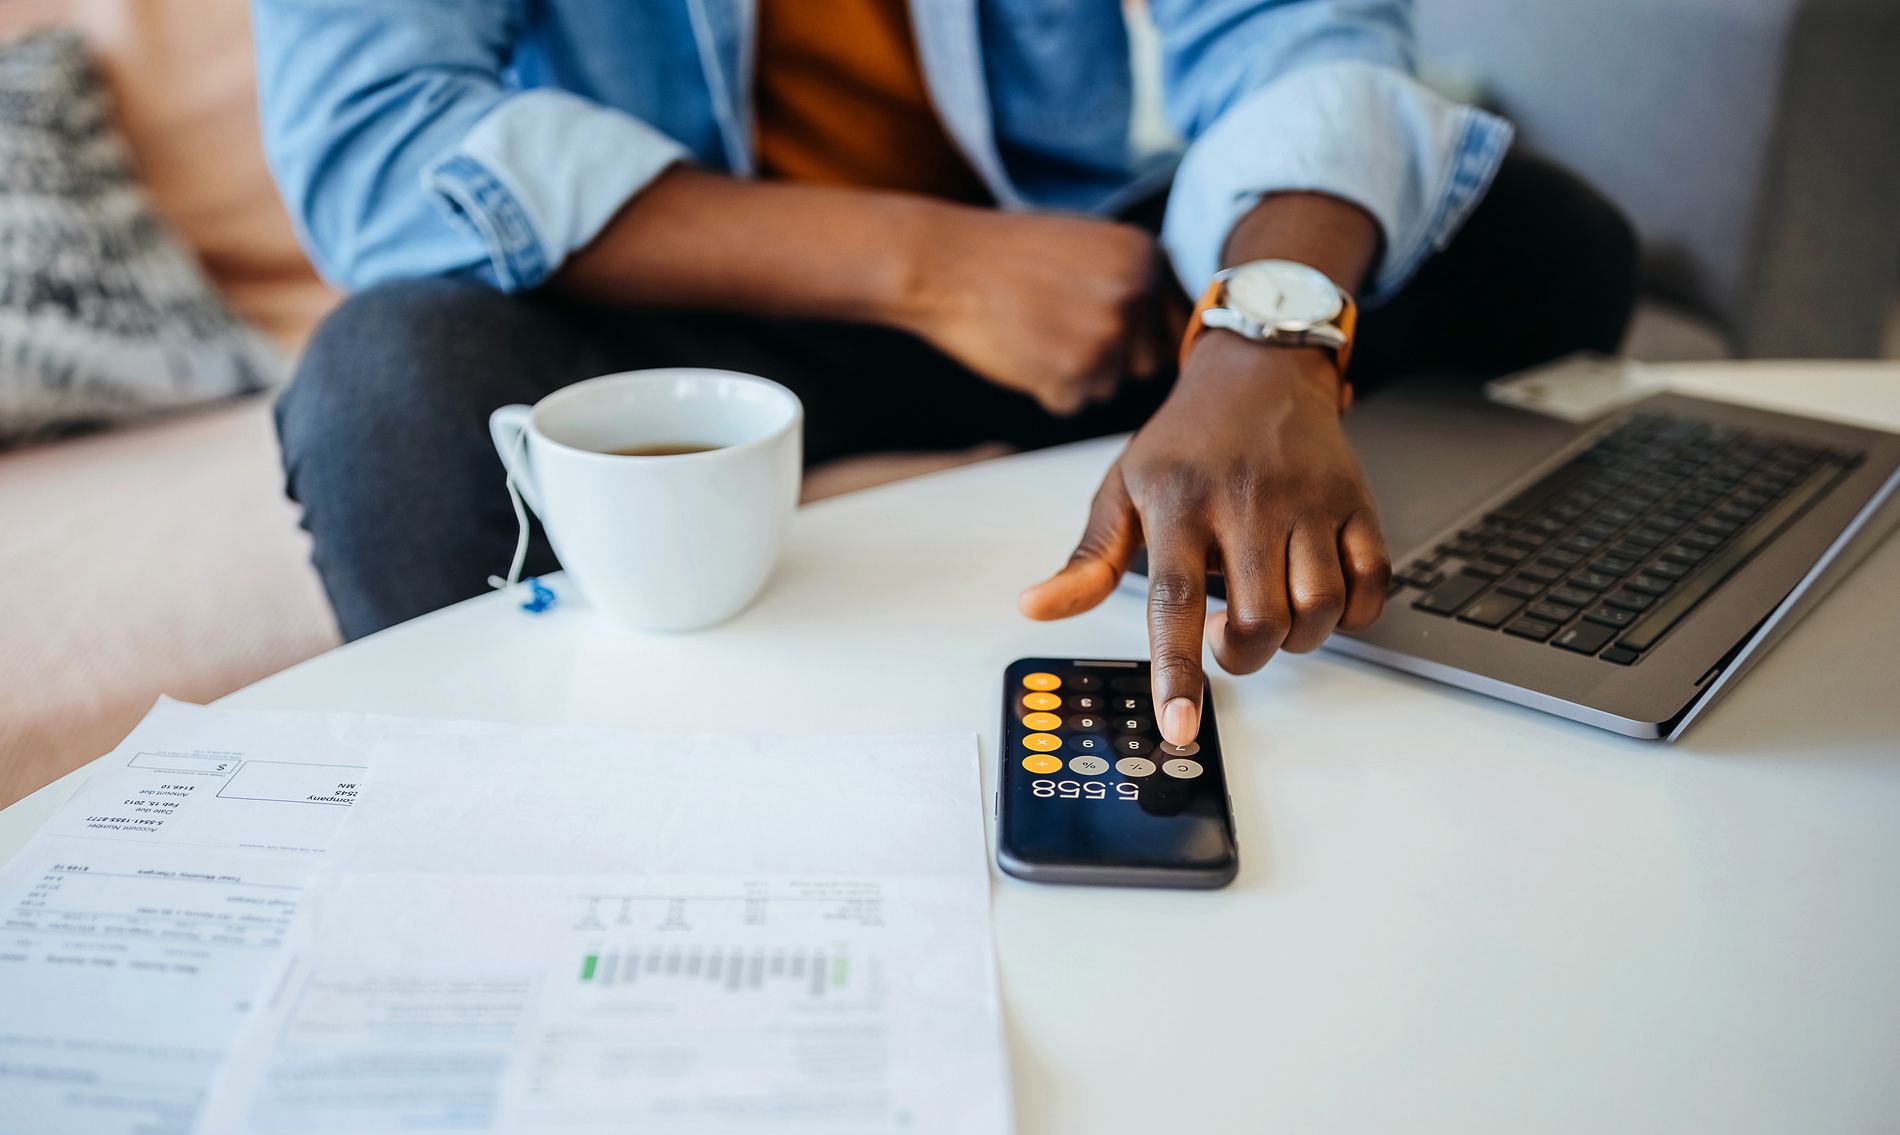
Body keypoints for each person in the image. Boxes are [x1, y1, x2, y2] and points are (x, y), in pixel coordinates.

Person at [258, 0, 1636, 746]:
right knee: (388, 385)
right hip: (701, 302)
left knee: (1539, 238)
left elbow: (1302, 31)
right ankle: (504, 845)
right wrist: (939, 266)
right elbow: (376, 143)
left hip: (1086, 290)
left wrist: (1263, 338)